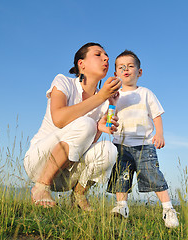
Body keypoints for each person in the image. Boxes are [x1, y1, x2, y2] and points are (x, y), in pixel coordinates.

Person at [24, 42, 122, 211]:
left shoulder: (104, 100)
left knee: (109, 149)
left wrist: (102, 122)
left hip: (67, 175)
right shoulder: (63, 82)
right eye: (98, 55)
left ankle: (78, 195)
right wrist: (100, 99)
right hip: (39, 163)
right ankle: (41, 187)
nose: (106, 58)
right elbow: (59, 119)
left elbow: (85, 144)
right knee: (86, 123)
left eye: (106, 56)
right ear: (81, 64)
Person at [106, 50, 179, 228]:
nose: (126, 69)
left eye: (130, 66)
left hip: (145, 145)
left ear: (139, 72)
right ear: (116, 73)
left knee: (153, 175)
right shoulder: (115, 95)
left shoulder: (146, 93)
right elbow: (108, 124)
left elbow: (156, 115)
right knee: (121, 176)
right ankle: (121, 206)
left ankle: (168, 209)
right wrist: (112, 104)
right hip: (121, 144)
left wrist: (159, 134)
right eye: (121, 67)